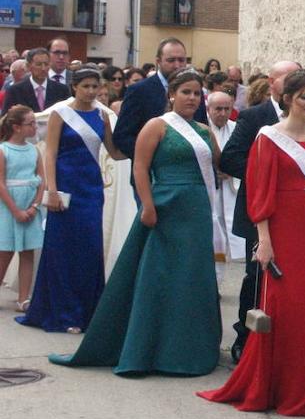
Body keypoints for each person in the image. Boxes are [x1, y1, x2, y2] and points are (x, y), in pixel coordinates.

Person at [49, 69, 221, 375]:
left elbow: (219, 165)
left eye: (197, 93)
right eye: (186, 92)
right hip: (165, 206)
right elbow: (140, 167)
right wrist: (147, 206)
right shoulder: (156, 126)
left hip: (196, 210)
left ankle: (191, 347)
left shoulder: (204, 131)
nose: (192, 98)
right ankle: (150, 348)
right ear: (172, 95)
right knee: (160, 277)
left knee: (192, 277)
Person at [199, 71, 305, 415]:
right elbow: (260, 192)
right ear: (288, 98)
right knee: (283, 309)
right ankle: (275, 388)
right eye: (303, 96)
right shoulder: (267, 137)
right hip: (281, 231)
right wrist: (264, 241)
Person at [17, 69, 122, 333]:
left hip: (91, 189)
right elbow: (49, 153)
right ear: (74, 87)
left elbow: (115, 152)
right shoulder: (60, 114)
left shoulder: (102, 115)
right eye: (85, 86)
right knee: (62, 251)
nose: (90, 91)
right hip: (64, 188)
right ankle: (64, 312)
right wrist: (51, 190)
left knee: (89, 250)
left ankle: (87, 311)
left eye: (95, 86)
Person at [220, 60, 302, 362]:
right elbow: (230, 159)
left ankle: (284, 339)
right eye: (288, 78)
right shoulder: (256, 116)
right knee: (256, 277)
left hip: (295, 213)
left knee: (290, 279)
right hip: (258, 210)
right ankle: (245, 337)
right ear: (272, 83)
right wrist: (268, 177)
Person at [113, 38, 199, 159]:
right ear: (158, 61)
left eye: (181, 60)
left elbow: (202, 129)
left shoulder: (195, 92)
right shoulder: (139, 91)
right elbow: (122, 136)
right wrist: (155, 157)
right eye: (171, 60)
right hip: (148, 171)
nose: (177, 65)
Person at [0, 106, 44, 310]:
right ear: (16, 127)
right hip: (9, 206)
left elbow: (41, 179)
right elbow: (0, 182)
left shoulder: (34, 150)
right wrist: (16, 210)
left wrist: (34, 206)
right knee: (5, 251)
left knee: (27, 253)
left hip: (30, 204)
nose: (35, 127)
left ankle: (23, 297)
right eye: (31, 123)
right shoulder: (3, 150)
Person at [205, 91, 245, 281]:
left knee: (228, 234)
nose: (222, 113)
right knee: (213, 236)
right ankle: (213, 281)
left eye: (226, 109)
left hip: (231, 189)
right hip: (209, 189)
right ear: (208, 109)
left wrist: (231, 169)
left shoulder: (238, 129)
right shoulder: (201, 129)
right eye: (217, 109)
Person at [2, 48, 69, 113]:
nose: (43, 68)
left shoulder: (62, 90)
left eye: (46, 64)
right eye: (38, 64)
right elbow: (5, 119)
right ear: (28, 66)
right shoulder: (15, 91)